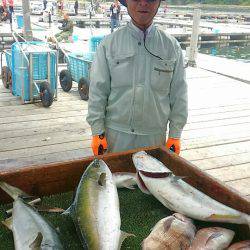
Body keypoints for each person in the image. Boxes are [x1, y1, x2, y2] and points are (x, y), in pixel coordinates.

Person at [87, 0, 188, 156]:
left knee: (151, 180)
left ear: (159, 3)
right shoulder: (108, 44)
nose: (143, 3)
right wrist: (97, 132)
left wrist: (175, 134)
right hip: (115, 136)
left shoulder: (171, 46)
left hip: (154, 137)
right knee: (115, 179)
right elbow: (97, 91)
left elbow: (179, 94)